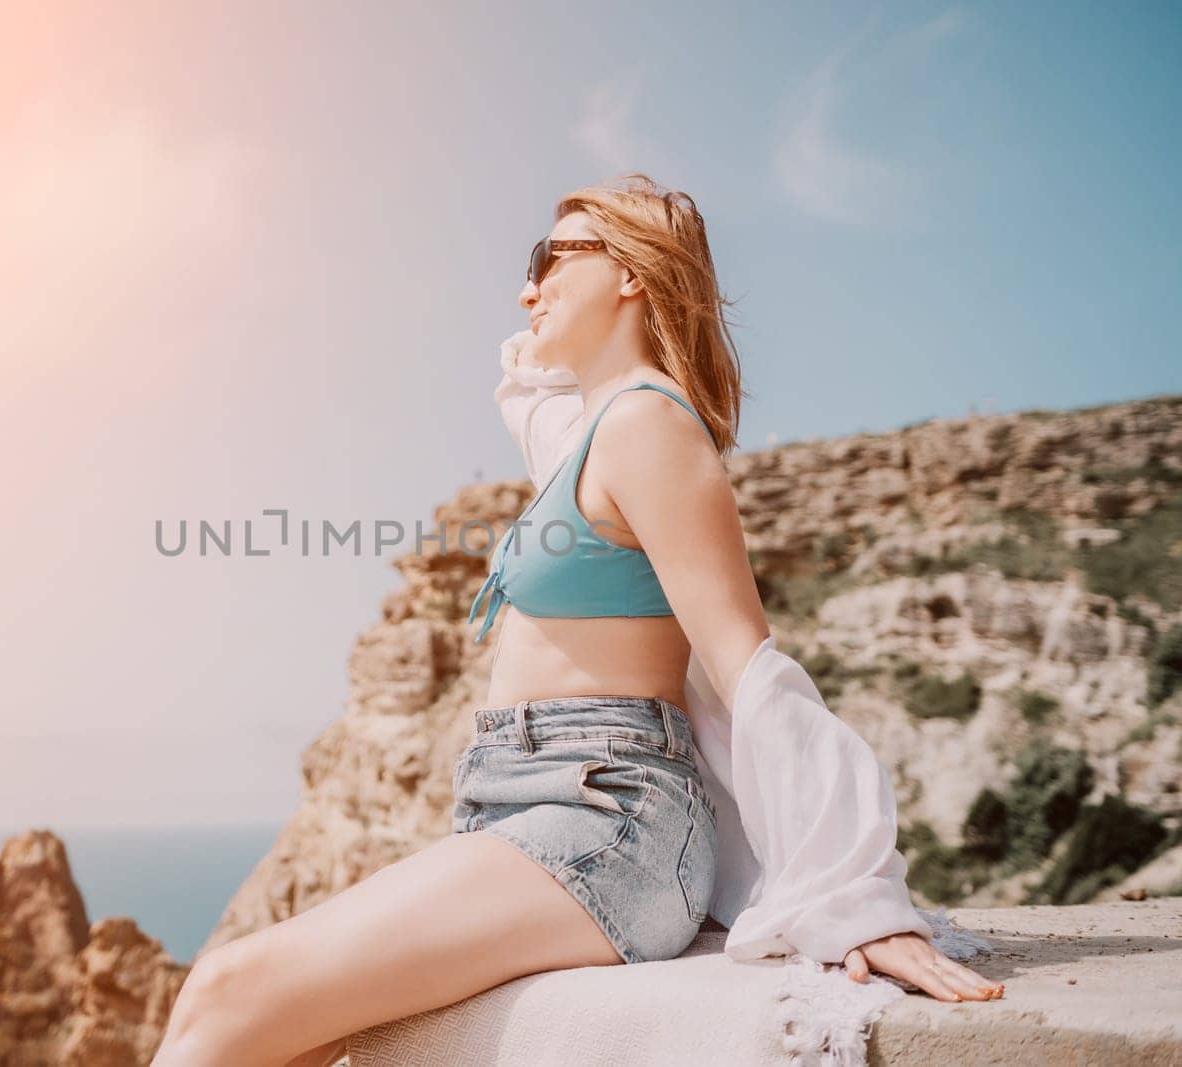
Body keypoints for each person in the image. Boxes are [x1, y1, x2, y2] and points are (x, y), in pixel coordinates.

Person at [150, 174, 1003, 1067]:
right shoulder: (594, 432)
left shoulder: (648, 428)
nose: (527, 288)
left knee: (224, 992)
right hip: (528, 804)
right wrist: (570, 303)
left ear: (630, 272)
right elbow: (528, 381)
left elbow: (750, 665)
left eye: (547, 258)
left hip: (609, 815)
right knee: (293, 1039)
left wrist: (854, 897)